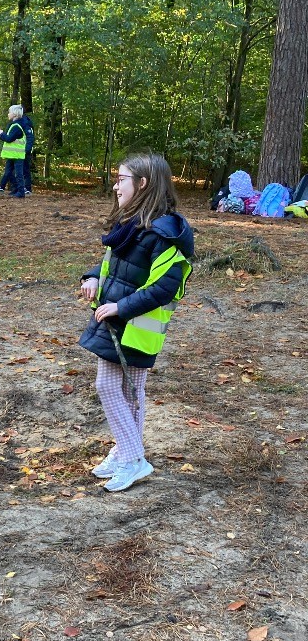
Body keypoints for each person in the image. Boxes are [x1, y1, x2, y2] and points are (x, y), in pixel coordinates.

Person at [79, 152, 194, 492]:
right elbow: (114, 263)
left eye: (121, 179)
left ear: (142, 184)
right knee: (131, 391)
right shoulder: (133, 225)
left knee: (109, 386)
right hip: (122, 319)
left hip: (136, 326)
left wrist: (121, 307)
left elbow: (165, 287)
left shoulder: (162, 234)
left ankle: (133, 459)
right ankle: (125, 452)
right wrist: (93, 278)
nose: (115, 186)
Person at [0, 105, 26, 198]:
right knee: (8, 173)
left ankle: (21, 192)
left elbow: (9, 139)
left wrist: (0, 133)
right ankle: (16, 189)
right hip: (12, 154)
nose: (8, 114)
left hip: (17, 155)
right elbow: (7, 138)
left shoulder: (17, 126)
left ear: (14, 114)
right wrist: (0, 134)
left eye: (9, 112)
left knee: (18, 174)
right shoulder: (14, 125)